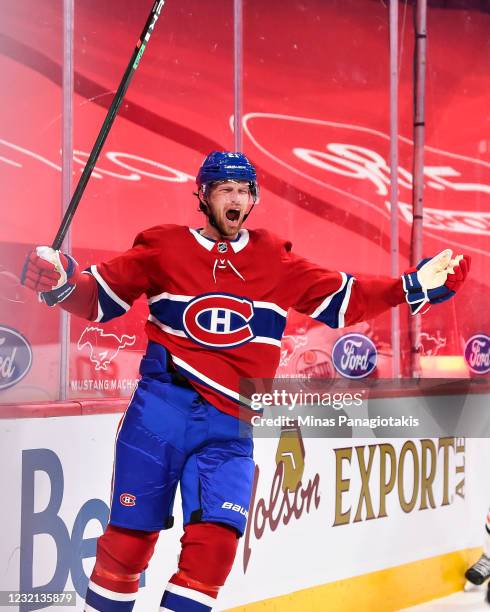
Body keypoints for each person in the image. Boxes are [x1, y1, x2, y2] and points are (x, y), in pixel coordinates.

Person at [21, 151, 470, 612]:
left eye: (244, 190)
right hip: (158, 417)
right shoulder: (163, 248)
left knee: (214, 552)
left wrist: (412, 286)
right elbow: (98, 299)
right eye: (225, 189)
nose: (236, 199)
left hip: (229, 426)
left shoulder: (275, 260)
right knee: (127, 547)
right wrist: (59, 281)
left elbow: (346, 298)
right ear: (203, 195)